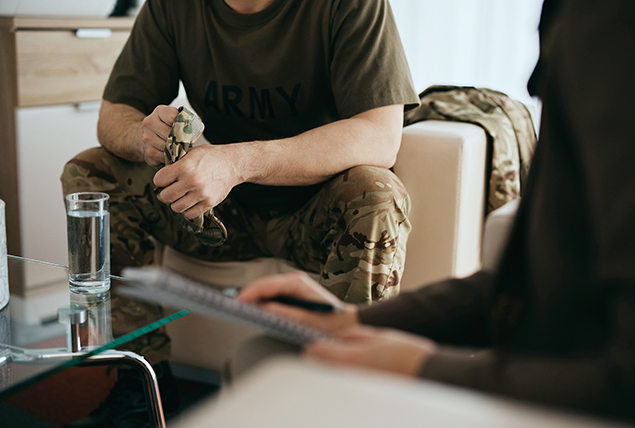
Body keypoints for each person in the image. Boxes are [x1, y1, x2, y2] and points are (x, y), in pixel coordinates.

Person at [237, 0, 635, 421]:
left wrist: (421, 367)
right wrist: (353, 321)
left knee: (268, 361)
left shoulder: (610, 26)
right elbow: (525, 287)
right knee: (269, 350)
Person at [61, 0, 418, 426]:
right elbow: (114, 114)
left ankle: (345, 402)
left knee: (377, 193)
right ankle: (141, 379)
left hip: (316, 219)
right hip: (212, 213)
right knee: (90, 172)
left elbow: (380, 136)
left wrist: (236, 163)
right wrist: (144, 137)